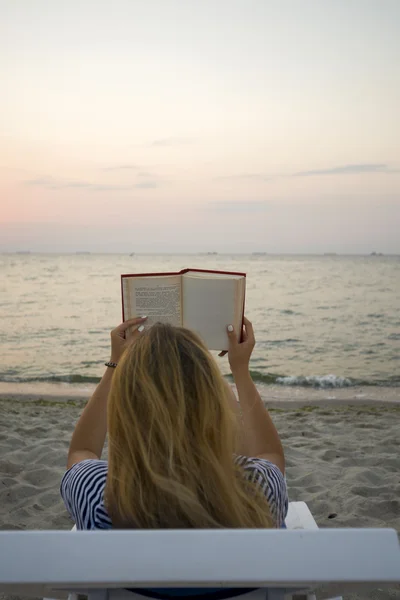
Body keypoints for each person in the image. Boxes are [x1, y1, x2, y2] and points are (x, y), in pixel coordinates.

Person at [61, 317, 287, 532]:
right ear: (215, 405)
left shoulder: (98, 494)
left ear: (125, 410)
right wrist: (240, 370)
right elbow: (268, 454)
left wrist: (115, 364)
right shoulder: (259, 488)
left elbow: (82, 451)